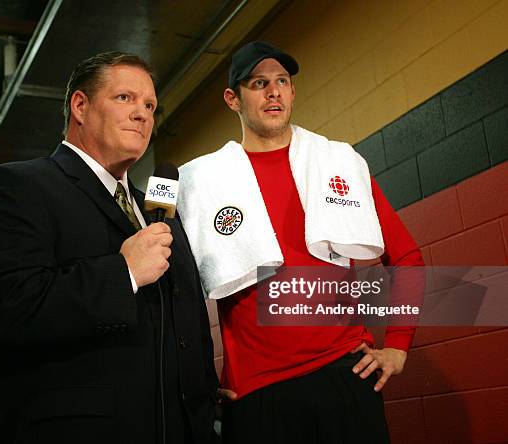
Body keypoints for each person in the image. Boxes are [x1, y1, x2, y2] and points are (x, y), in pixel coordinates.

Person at [0, 51, 218, 444]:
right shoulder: (16, 187)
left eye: (150, 105)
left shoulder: (160, 212)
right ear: (80, 106)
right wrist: (123, 273)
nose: (143, 114)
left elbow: (187, 323)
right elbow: (4, 307)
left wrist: (204, 391)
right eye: (125, 98)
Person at [178, 41, 424, 443]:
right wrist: (201, 378)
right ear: (232, 99)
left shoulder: (339, 164)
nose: (273, 92)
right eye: (258, 83)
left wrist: (397, 345)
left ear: (291, 92)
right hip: (257, 394)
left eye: (282, 82)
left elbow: (408, 257)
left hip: (345, 375)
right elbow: (177, 298)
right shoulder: (201, 183)